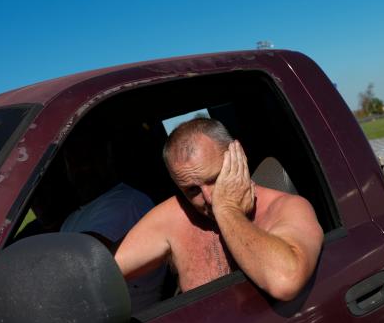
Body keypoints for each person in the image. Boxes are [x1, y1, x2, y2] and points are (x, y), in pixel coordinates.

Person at [115, 118, 323, 302]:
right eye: (192, 190)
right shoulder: (176, 215)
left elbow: (284, 282)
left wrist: (228, 209)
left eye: (215, 179)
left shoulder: (287, 207)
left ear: (238, 156)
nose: (208, 198)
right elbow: (104, 274)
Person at [60, 130, 165, 311]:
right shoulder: (71, 219)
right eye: (74, 160)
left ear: (108, 156)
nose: (83, 167)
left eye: (89, 157)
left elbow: (78, 261)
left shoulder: (126, 202)